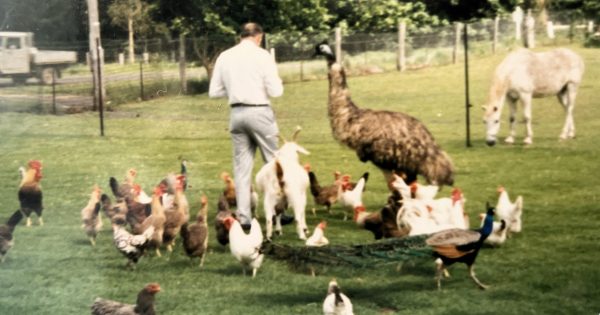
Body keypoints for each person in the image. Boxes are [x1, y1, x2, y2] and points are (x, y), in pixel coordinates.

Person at [209, 22, 291, 229]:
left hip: (236, 113)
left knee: (241, 169)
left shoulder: (225, 56)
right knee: (274, 164)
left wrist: (236, 90)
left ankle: (244, 218)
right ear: (259, 37)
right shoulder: (262, 55)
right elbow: (276, 91)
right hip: (259, 111)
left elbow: (214, 91)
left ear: (241, 36)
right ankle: (277, 212)